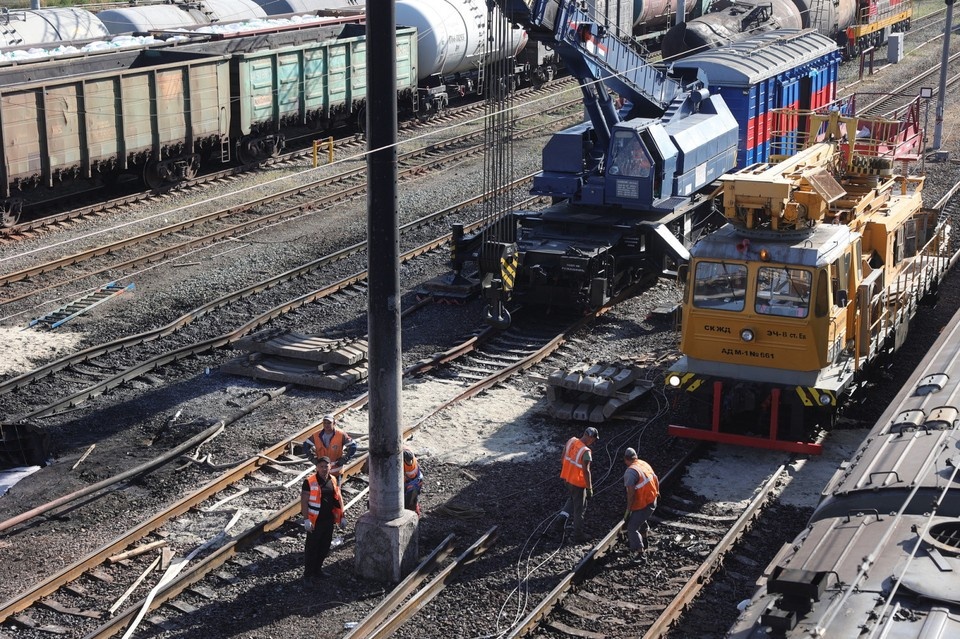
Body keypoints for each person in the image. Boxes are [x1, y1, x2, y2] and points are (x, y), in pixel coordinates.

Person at [300, 456, 343, 581]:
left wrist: (342, 516)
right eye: (321, 466)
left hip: (328, 520)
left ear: (330, 467)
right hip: (315, 521)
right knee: (312, 548)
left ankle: (318, 570)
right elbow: (304, 501)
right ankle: (308, 575)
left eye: (326, 466)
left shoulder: (333, 479)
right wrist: (306, 519)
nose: (324, 469)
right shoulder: (309, 481)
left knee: (324, 546)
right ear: (317, 468)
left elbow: (338, 498)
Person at [558, 426, 598, 542]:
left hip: (566, 478)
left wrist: (568, 470)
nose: (593, 442)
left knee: (572, 499)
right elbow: (586, 471)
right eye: (594, 440)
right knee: (580, 509)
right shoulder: (586, 452)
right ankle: (578, 535)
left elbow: (562, 458)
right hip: (577, 483)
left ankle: (561, 519)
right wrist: (589, 487)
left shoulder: (571, 441)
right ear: (590, 438)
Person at [622, 447, 659, 565]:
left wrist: (628, 510)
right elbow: (656, 478)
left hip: (643, 504)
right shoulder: (643, 463)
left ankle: (641, 555)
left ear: (625, 459)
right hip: (652, 500)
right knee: (641, 520)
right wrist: (657, 493)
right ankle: (645, 540)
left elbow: (631, 495)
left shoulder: (630, 473)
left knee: (632, 527)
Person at [403, 448, 424, 516]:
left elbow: (403, 479)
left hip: (412, 485)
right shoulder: (413, 458)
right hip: (418, 481)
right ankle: (416, 513)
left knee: (409, 504)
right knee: (414, 500)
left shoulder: (408, 468)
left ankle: (414, 517)